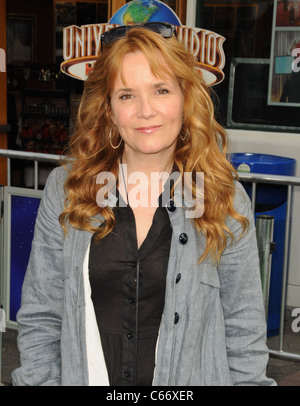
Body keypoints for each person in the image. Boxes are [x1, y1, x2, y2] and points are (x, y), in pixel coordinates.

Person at [12, 23, 275, 386]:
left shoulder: (221, 199)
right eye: (126, 95)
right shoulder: (68, 191)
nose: (145, 111)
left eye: (161, 90)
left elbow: (243, 333)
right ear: (109, 108)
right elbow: (41, 317)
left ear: (185, 96)